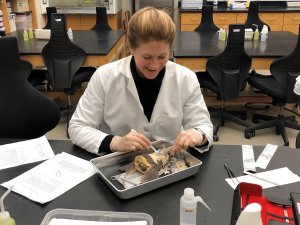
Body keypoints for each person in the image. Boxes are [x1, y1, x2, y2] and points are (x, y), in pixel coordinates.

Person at [68, 7, 213, 155]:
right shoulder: (104, 77)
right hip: (119, 163)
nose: (155, 66)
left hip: (169, 164)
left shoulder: (185, 79)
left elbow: (203, 126)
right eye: (147, 57)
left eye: (162, 56)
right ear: (131, 47)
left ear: (170, 50)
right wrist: (114, 142)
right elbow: (78, 127)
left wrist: (197, 134)